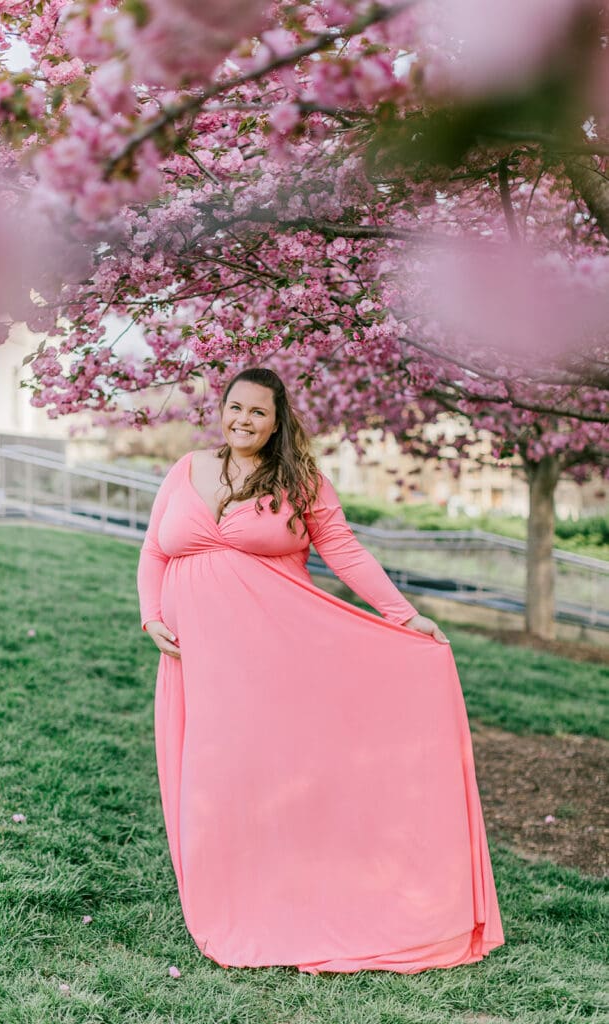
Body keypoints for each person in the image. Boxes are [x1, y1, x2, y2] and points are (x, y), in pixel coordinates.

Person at [137, 366, 505, 975]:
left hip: (277, 656)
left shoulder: (301, 482)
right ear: (221, 409)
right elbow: (154, 548)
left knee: (273, 774)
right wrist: (151, 617)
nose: (243, 420)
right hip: (198, 661)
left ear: (278, 419)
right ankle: (230, 894)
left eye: (258, 412)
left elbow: (344, 551)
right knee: (216, 779)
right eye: (235, 408)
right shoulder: (188, 468)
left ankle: (297, 896)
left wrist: (404, 615)